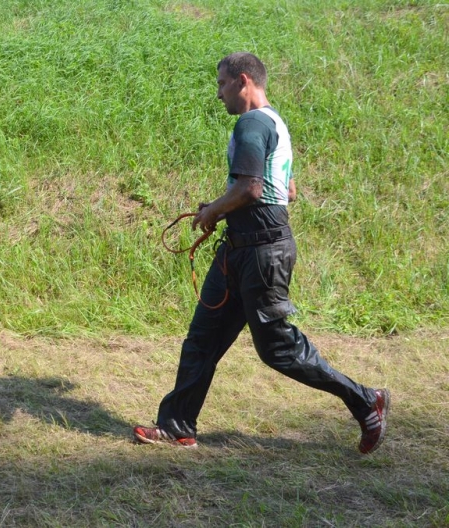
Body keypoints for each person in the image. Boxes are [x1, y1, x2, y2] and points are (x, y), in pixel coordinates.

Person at [133, 53, 389, 454]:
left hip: (261, 254)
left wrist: (214, 210)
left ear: (243, 80)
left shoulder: (251, 122)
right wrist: (224, 208)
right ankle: (177, 426)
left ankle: (364, 399)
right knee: (202, 339)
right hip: (243, 250)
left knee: (278, 349)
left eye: (221, 84)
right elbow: (286, 191)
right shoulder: (275, 122)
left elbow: (252, 188)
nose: (218, 95)